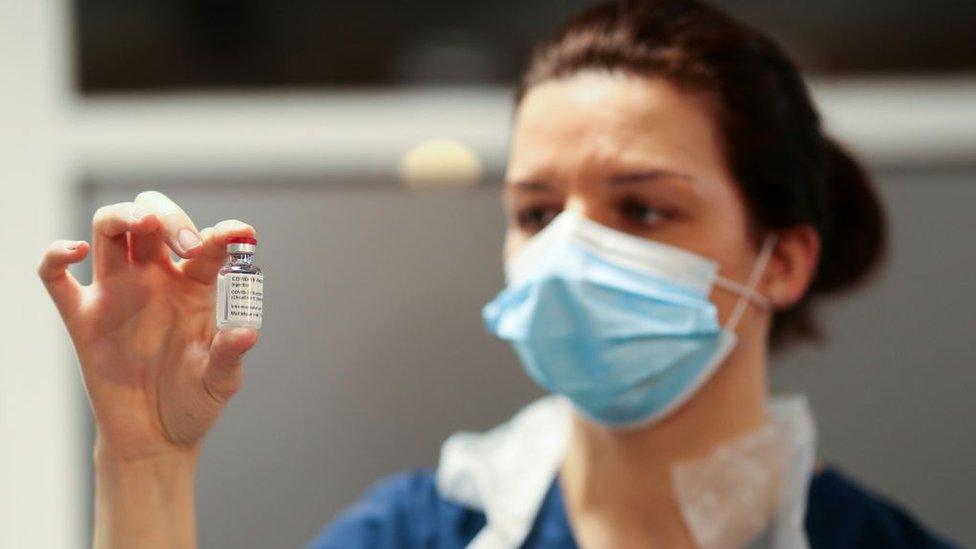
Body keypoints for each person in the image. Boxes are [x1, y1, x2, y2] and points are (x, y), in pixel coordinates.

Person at [39, 1, 956, 547]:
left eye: (642, 209)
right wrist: (146, 465)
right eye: (537, 212)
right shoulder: (420, 532)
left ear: (785, 258)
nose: (569, 252)